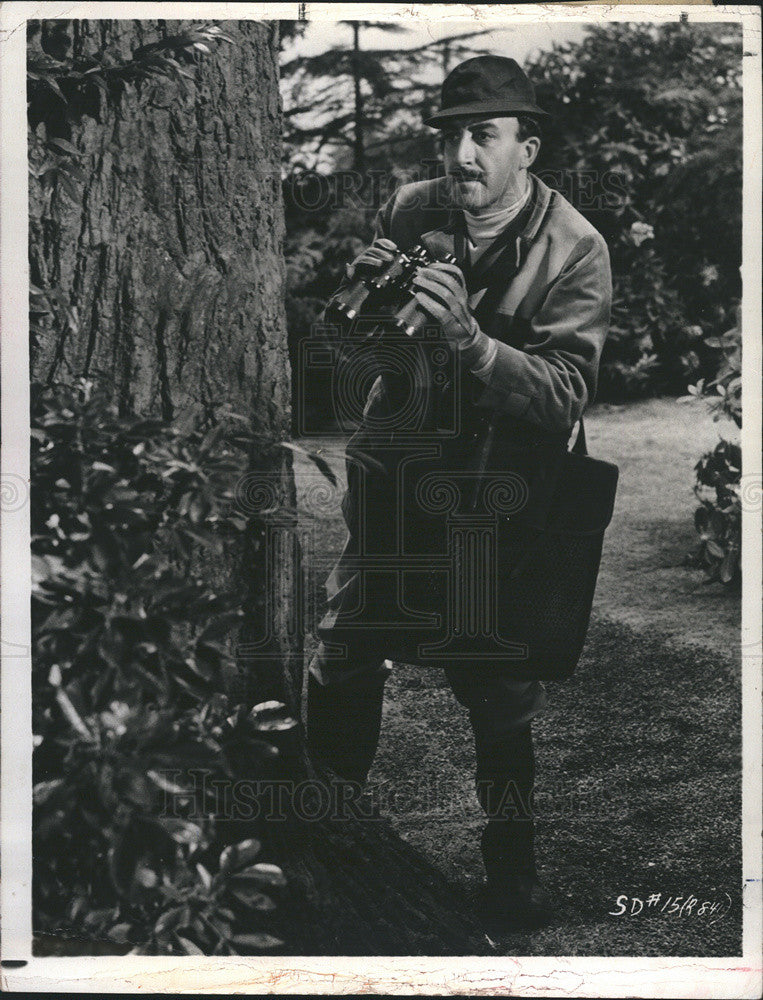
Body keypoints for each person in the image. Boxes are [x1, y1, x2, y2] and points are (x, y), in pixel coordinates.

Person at [305, 55, 612, 929]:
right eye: (450, 136)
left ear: (528, 147)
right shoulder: (413, 211)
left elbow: (564, 391)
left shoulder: (573, 247)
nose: (462, 155)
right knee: (346, 644)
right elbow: (366, 353)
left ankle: (512, 872)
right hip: (399, 472)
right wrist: (362, 306)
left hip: (495, 487)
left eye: (483, 135)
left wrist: (472, 341)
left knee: (494, 676)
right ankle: (333, 843)